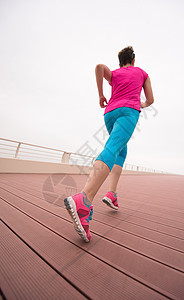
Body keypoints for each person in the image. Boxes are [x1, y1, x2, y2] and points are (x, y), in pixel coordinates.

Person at [64, 46, 154, 242]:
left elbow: (99, 67)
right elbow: (151, 99)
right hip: (128, 111)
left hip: (110, 113)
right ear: (134, 59)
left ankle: (112, 193)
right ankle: (83, 200)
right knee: (113, 148)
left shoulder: (115, 73)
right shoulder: (142, 73)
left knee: (120, 151)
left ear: (120, 61)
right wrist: (141, 105)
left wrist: (101, 95)